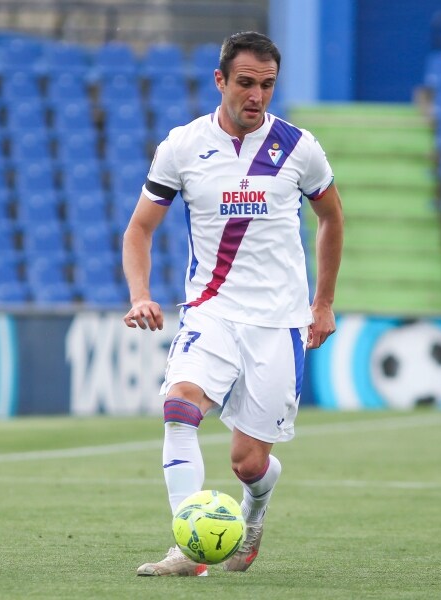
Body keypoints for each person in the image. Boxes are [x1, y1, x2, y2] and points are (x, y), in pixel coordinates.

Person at [122, 31, 344, 577]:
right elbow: (139, 231)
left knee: (248, 464)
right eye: (245, 83)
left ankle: (256, 508)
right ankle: (190, 552)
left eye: (267, 85)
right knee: (178, 407)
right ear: (220, 80)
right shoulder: (182, 146)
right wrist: (141, 295)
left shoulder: (298, 148)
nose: (257, 96)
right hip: (211, 311)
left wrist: (324, 303)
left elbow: (332, 219)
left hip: (279, 324)